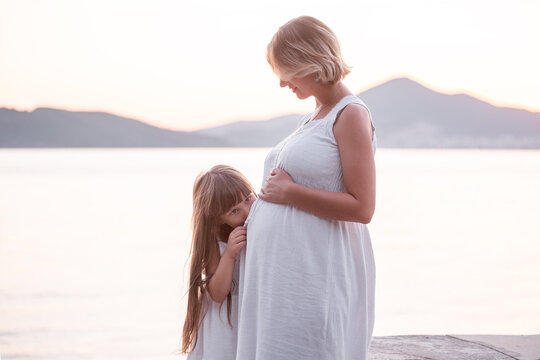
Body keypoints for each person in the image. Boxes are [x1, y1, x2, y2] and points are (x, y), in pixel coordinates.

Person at [236, 16, 377, 359]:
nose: (283, 83)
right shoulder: (314, 116)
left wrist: (290, 194)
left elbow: (363, 208)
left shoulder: (350, 115)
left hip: (316, 277)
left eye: (286, 71)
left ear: (309, 62)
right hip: (283, 283)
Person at [181, 165, 256, 360]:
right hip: (225, 324)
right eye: (234, 211)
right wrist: (230, 254)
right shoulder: (217, 240)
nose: (247, 211)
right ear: (217, 221)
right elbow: (217, 294)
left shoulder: (260, 224)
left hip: (249, 317)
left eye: (248, 199)